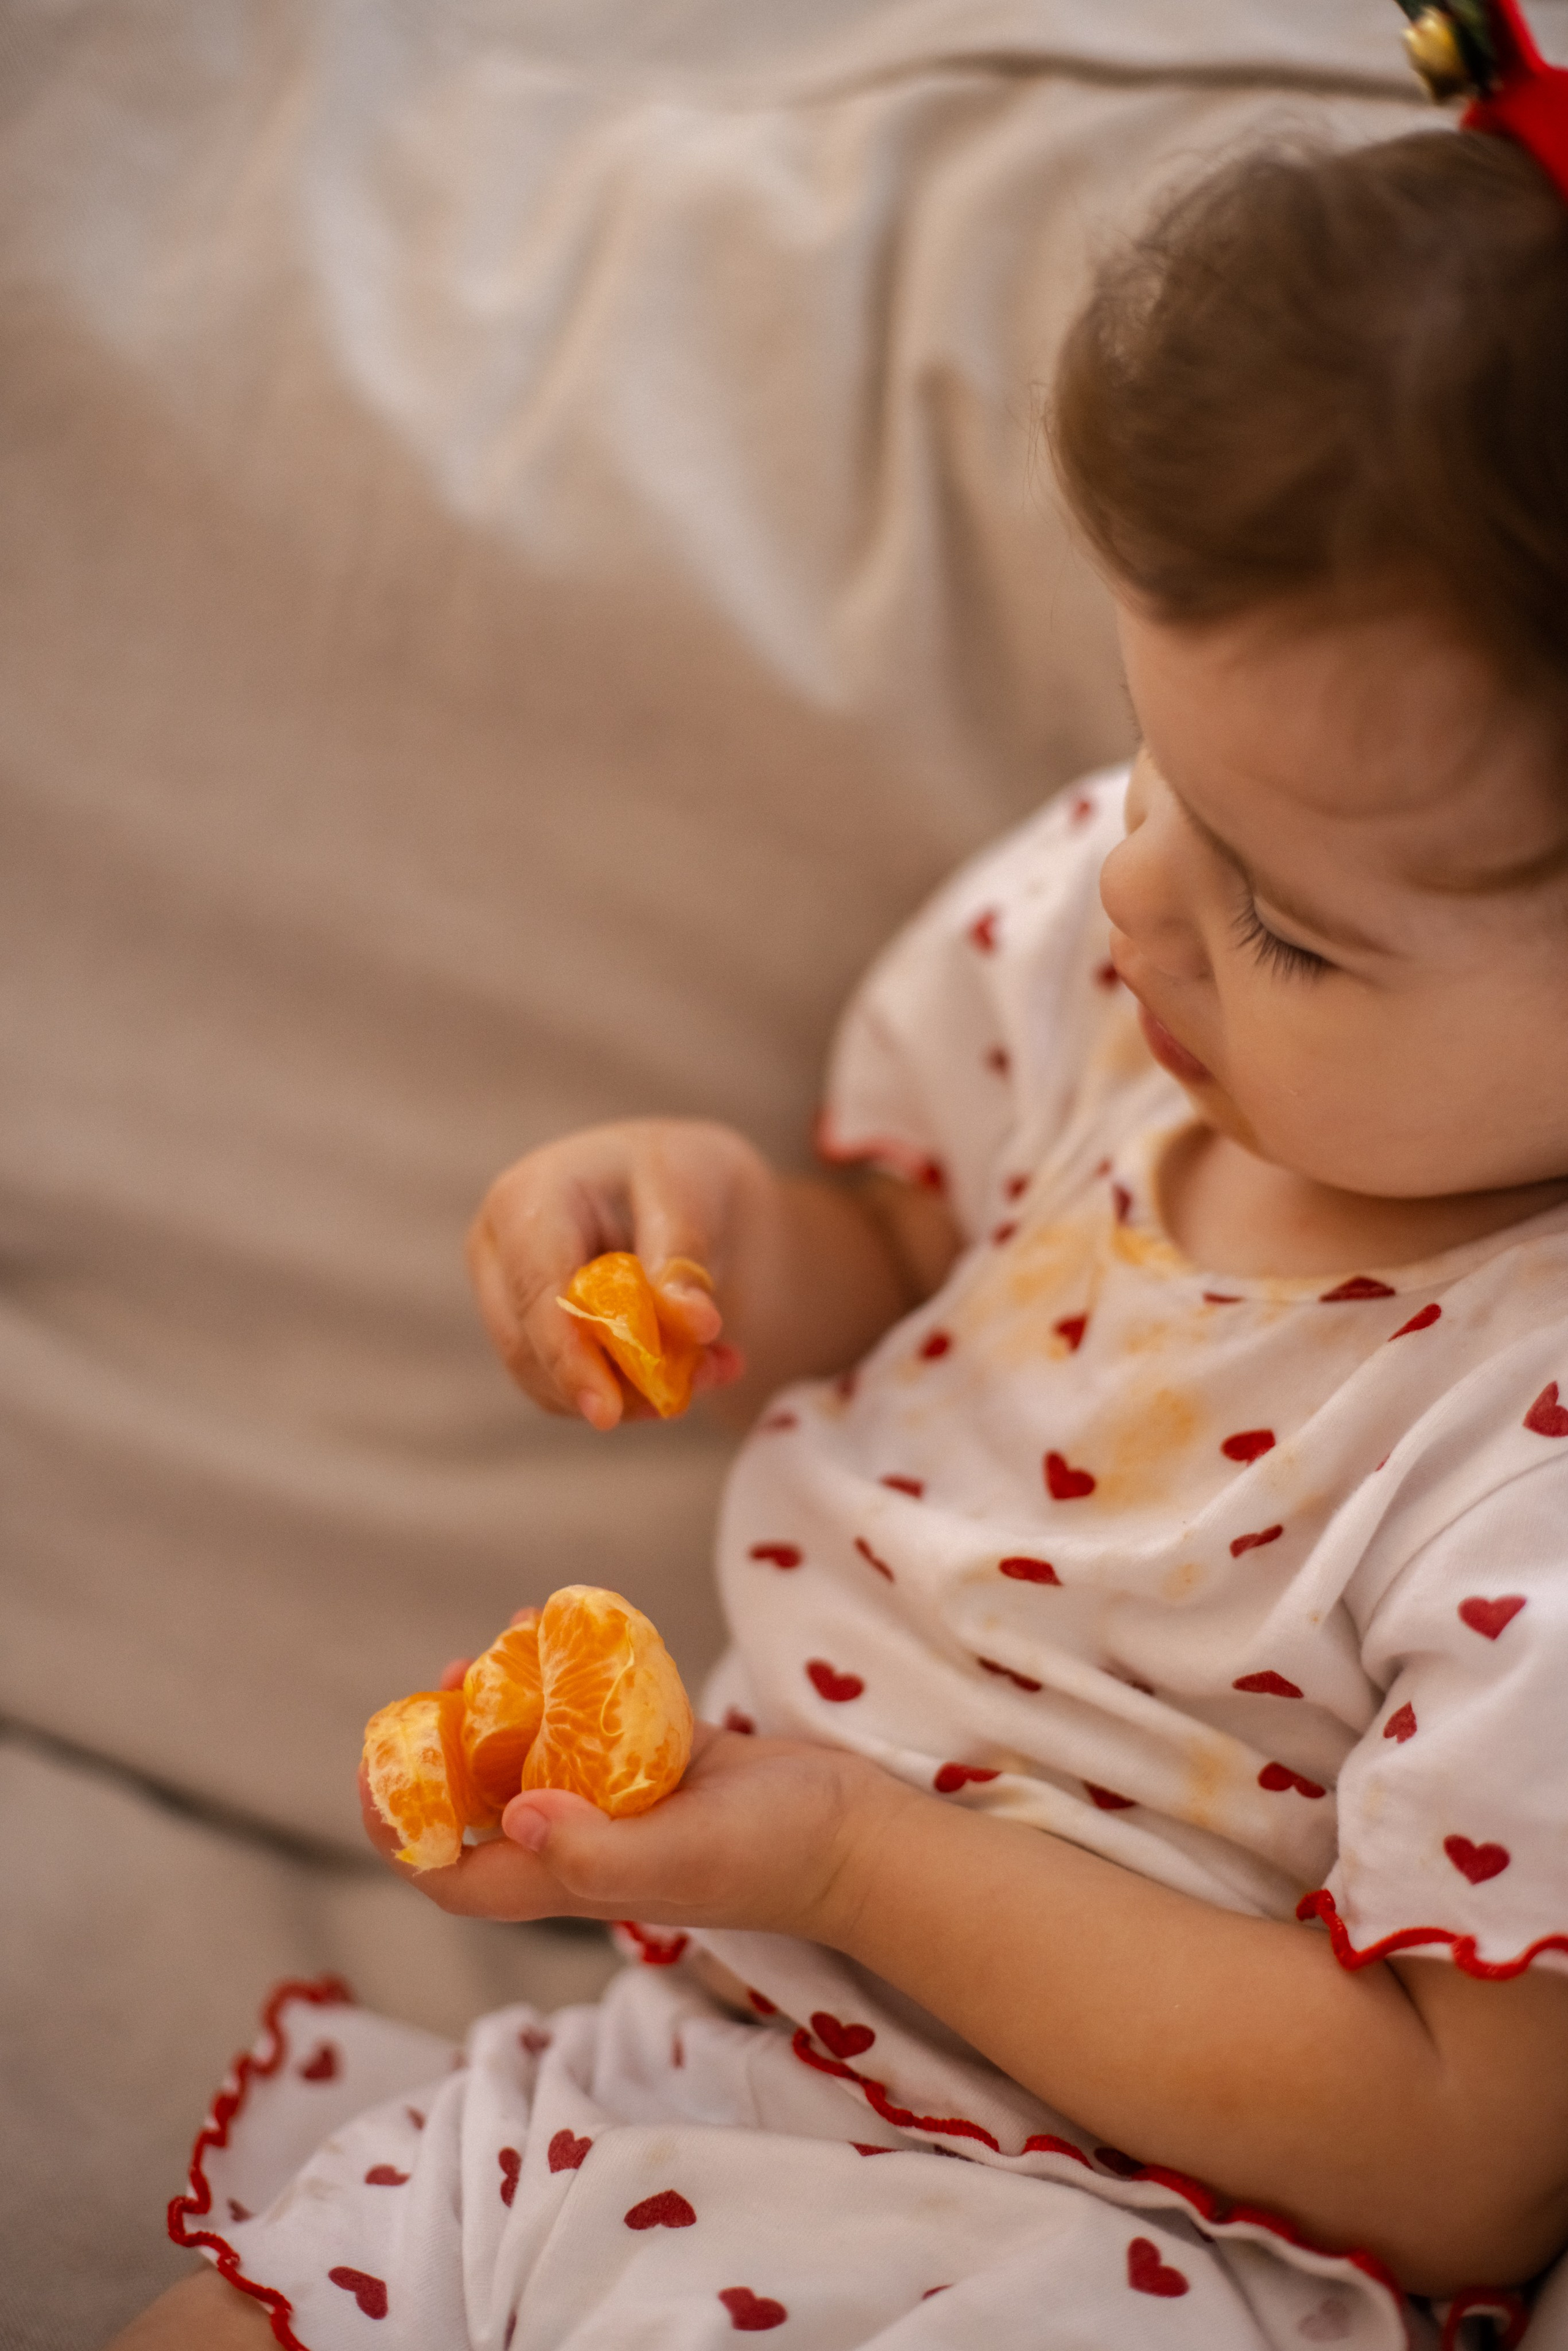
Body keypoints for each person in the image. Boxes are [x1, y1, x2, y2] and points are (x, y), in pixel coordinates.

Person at [119, 25, 1568, 2350]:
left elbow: (1459, 2154)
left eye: (1292, 920)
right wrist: (693, 1230)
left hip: (1117, 2244)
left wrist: (849, 1855)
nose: (1136, 902)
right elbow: (900, 1250)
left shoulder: (1527, 1451)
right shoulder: (1119, 992)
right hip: (664, 2068)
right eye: (1152, 776)